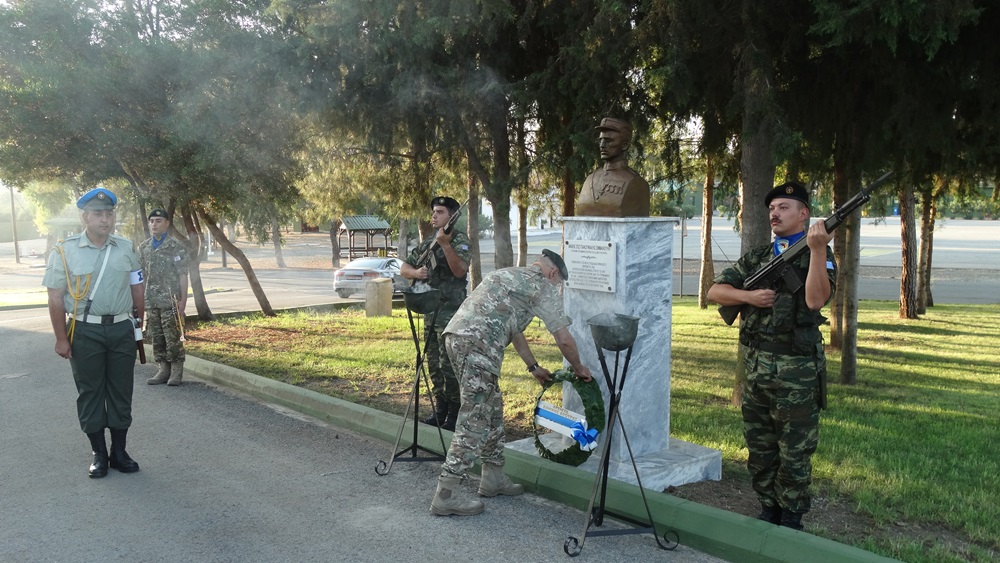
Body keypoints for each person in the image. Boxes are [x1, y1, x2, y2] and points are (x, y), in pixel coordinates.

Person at [706, 181, 837, 531]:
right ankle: (768, 508)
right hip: (757, 368)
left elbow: (814, 300)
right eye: (772, 208)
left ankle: (791, 517)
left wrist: (819, 251)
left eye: (784, 207)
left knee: (794, 451)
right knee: (760, 447)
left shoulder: (818, 254)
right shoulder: (758, 257)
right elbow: (714, 291)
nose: (775, 213)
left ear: (804, 214)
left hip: (796, 373)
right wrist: (749, 298)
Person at [430, 249, 594, 516]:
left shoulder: (508, 274)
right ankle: (446, 494)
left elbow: (513, 328)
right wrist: (579, 368)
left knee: (492, 405)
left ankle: (492, 478)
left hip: (457, 338)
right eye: (558, 283)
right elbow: (563, 338)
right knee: (475, 417)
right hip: (478, 345)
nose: (557, 288)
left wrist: (533, 367)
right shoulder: (543, 287)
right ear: (553, 273)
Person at [43, 187, 145, 479]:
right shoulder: (65, 251)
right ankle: (99, 454)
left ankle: (120, 452)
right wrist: (61, 338)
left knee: (121, 390)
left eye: (109, 214)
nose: (105, 219)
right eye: (98, 214)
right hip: (85, 330)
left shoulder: (126, 247)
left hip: (122, 329)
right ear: (85, 217)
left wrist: (138, 325)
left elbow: (137, 287)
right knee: (90, 392)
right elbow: (55, 298)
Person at [400, 196, 471, 431]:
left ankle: (454, 413)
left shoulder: (459, 240)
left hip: (452, 312)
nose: (434, 216)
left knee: (449, 364)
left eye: (439, 212)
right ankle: (440, 410)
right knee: (433, 364)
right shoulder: (428, 242)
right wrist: (416, 273)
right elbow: (404, 267)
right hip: (430, 312)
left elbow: (460, 271)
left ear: (451, 216)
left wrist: (446, 245)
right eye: (433, 212)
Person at [139, 208, 190, 386]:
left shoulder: (175, 246)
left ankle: (176, 371)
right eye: (152, 221)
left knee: (172, 336)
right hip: (151, 300)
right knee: (157, 336)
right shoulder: (144, 247)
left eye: (158, 220)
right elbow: (142, 276)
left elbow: (183, 274)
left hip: (171, 300)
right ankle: (163, 369)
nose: (154, 224)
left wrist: (183, 301)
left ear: (167, 223)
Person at [575, 117, 650, 217]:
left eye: (608, 141)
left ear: (624, 146)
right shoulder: (590, 179)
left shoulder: (636, 183)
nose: (602, 145)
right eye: (600, 140)